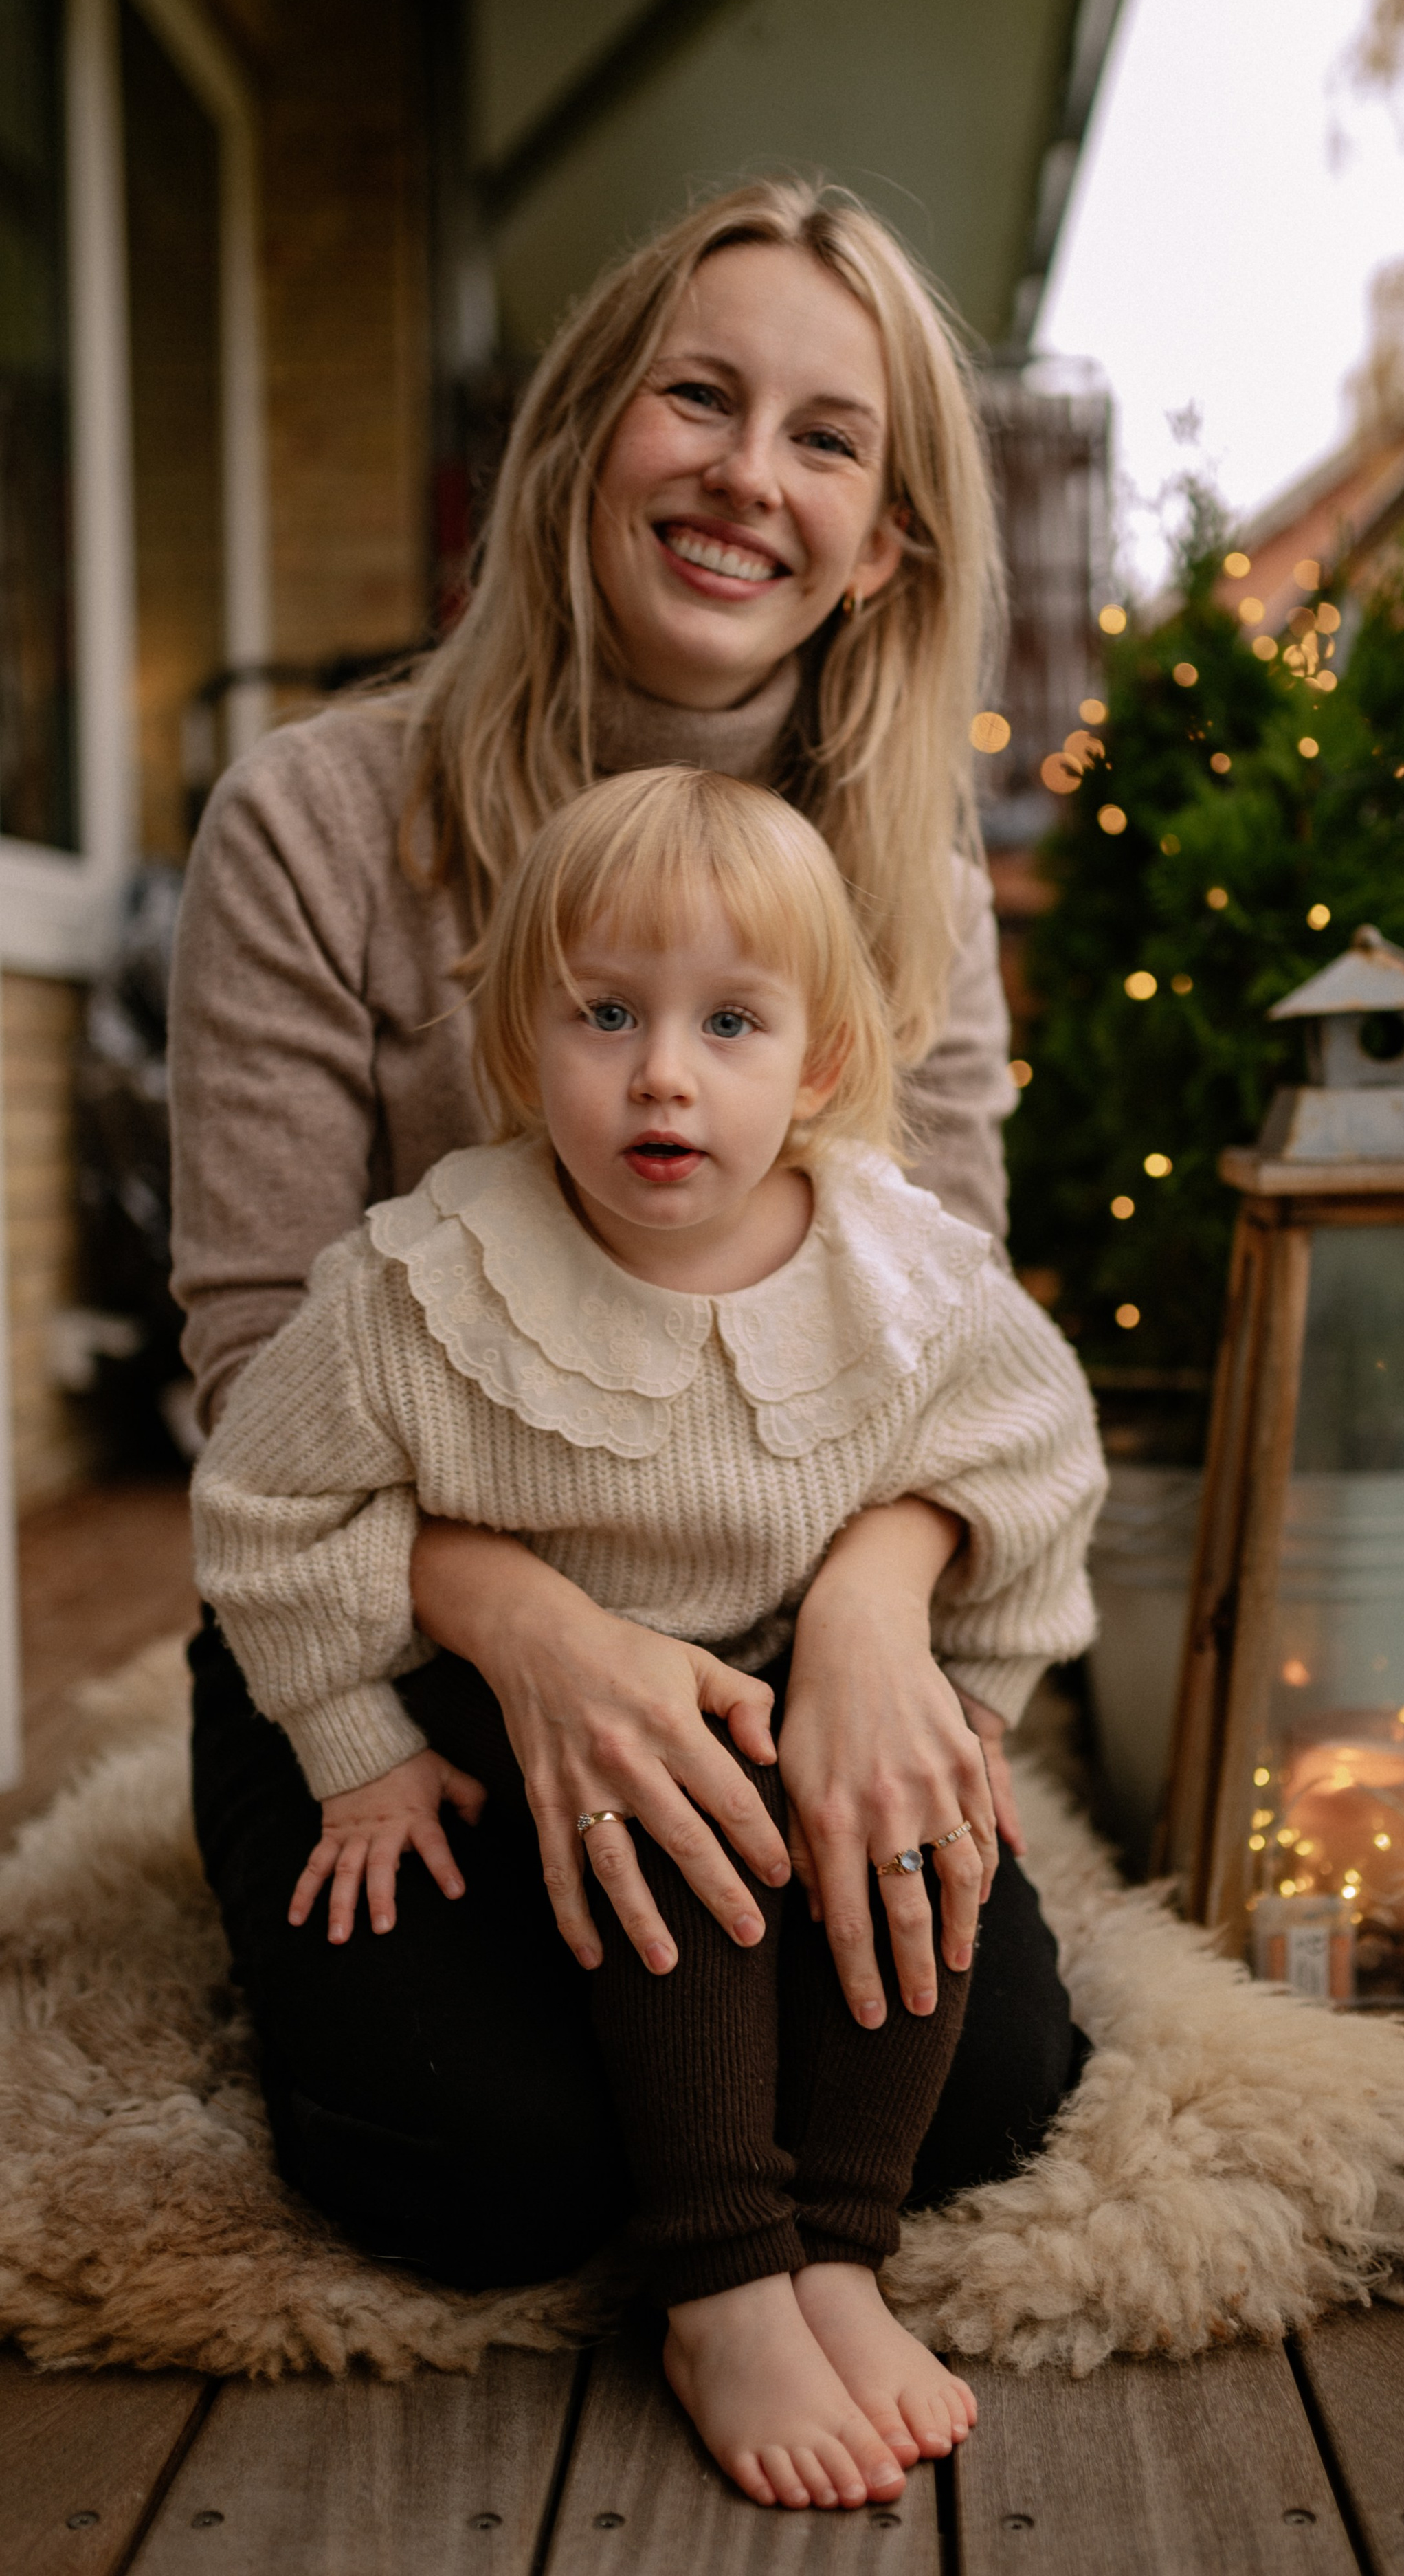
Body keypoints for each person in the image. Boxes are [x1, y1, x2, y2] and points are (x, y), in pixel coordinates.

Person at [170, 178, 1089, 2303]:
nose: (749, 475)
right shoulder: (318, 821)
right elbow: (256, 1382)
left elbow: (951, 1338)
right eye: (699, 398)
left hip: (776, 1591)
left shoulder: (915, 882)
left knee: (976, 2095)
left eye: (826, 438)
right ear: (587, 435)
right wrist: (537, 1639)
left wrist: (873, 1617)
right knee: (491, 2165)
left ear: (888, 541)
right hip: (395, 1606)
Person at [192, 771, 1104, 2509]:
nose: (662, 1073)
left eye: (728, 1022)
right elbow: (260, 1503)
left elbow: (1035, 1461)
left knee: (914, 1859)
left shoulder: (903, 1274)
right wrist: (357, 1751)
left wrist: (957, 1698)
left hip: (792, 1660)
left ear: (818, 1067)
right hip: (509, 1686)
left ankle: (838, 2247)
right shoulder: (421, 1286)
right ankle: (723, 2274)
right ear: (520, 1044)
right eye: (604, 1014)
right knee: (664, 1826)